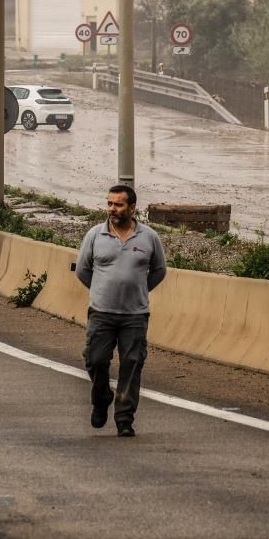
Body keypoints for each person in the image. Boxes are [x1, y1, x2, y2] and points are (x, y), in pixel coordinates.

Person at [76, 184, 168, 438]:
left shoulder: (148, 237)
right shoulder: (95, 235)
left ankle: (124, 418)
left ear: (132, 207)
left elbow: (159, 270)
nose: (112, 209)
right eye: (109, 204)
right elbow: (83, 270)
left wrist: (138, 290)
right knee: (95, 360)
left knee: (132, 363)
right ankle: (102, 396)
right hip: (101, 312)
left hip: (135, 315)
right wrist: (101, 291)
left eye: (118, 204)